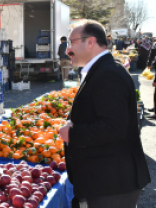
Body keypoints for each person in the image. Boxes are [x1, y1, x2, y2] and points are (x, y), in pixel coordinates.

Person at [60, 19, 151, 208]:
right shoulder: (102, 69)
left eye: (71, 43)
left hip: (112, 185)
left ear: (91, 42)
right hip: (105, 180)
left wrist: (73, 134)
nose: (67, 50)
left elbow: (113, 127)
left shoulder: (109, 74)